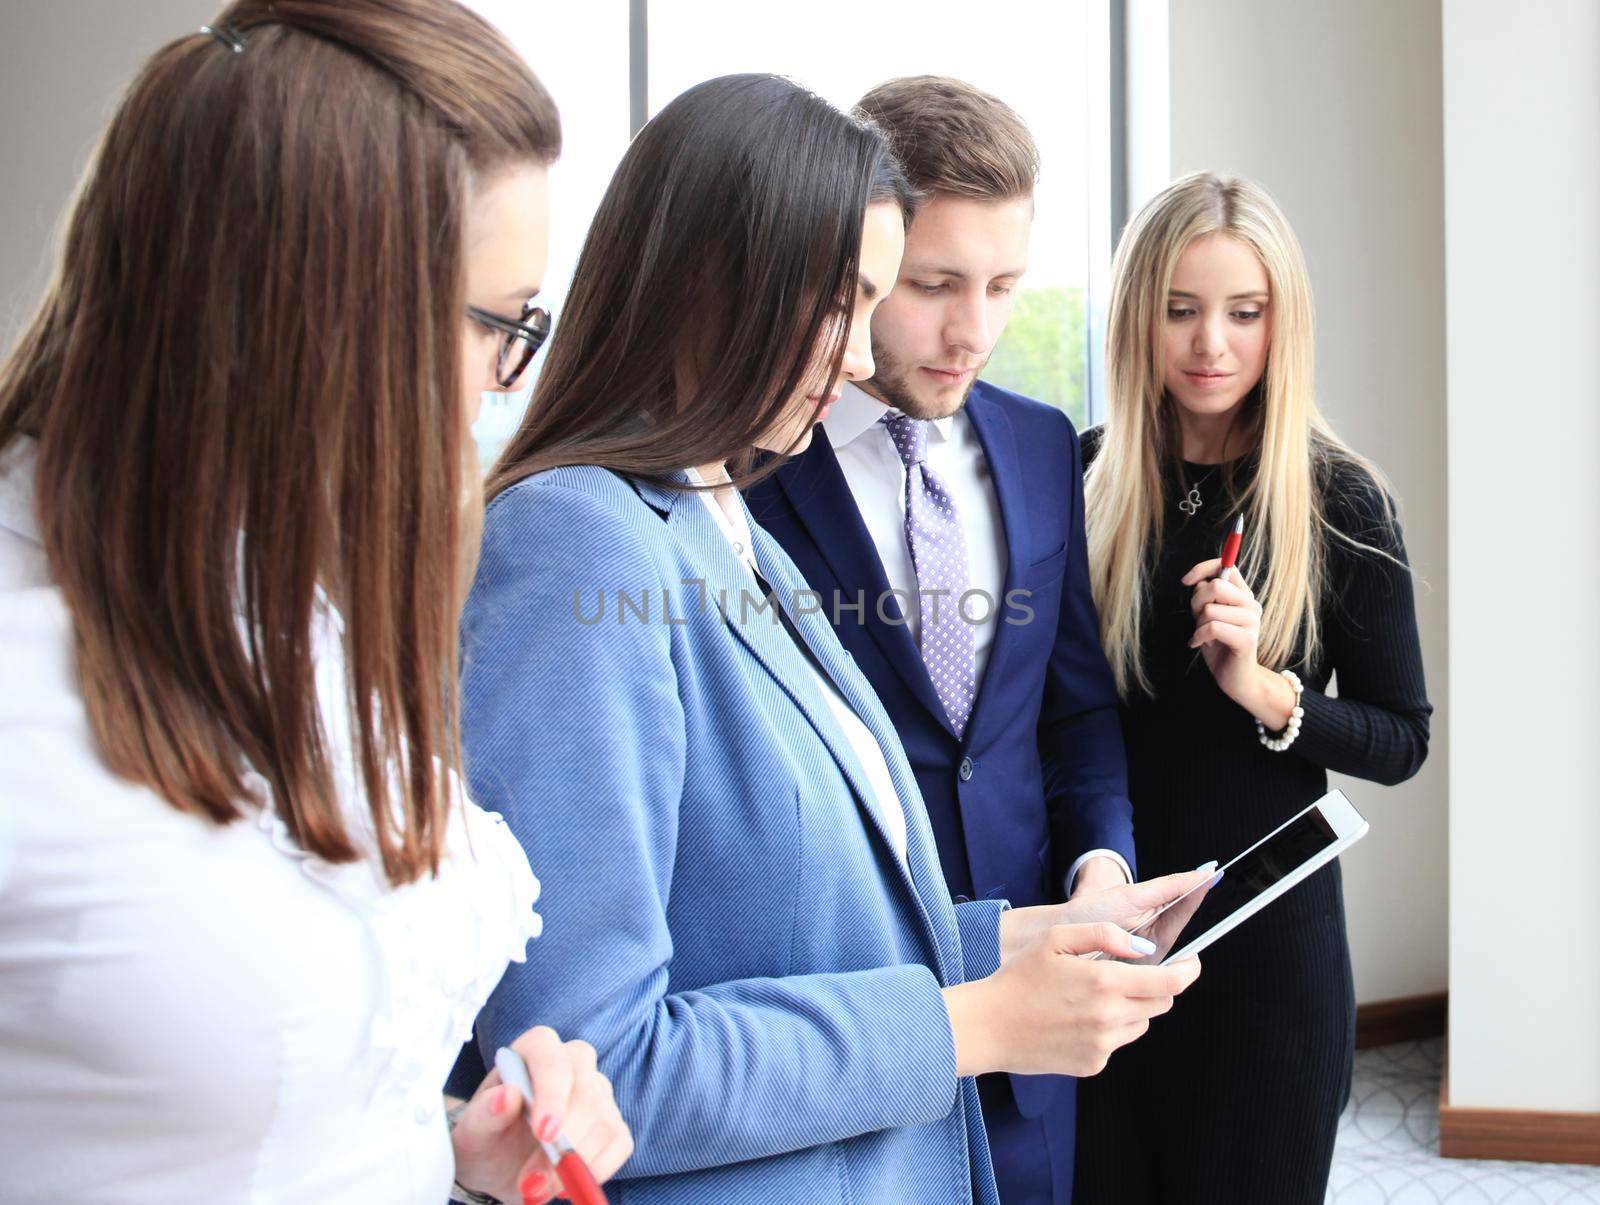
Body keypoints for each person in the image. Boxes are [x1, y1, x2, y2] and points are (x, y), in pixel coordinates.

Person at [452, 73, 1209, 1204]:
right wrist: (972, 1022)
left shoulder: (727, 521)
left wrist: (1027, 938)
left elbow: (796, 930)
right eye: (849, 301)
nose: (861, 357)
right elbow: (593, 1062)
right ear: (716, 288)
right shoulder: (580, 538)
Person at [0, 4, 630, 1203]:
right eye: (502, 325)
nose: (505, 380)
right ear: (326, 316)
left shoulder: (312, 609)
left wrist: (450, 1143)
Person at [745, 76, 1135, 1204]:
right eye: (932, 285)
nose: (974, 329)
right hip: (848, 1019)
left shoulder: (1040, 442)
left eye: (1004, 284)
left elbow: (1071, 710)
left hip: (1037, 1025)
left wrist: (1098, 863)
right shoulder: (754, 464)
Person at [1072, 171, 1432, 1205]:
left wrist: (1269, 691)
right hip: (1110, 939)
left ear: (1284, 321)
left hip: (1269, 954)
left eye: (1244, 312)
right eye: (1180, 310)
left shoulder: (1339, 498)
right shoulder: (1080, 480)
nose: (1209, 344)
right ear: (1139, 315)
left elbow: (1401, 738)